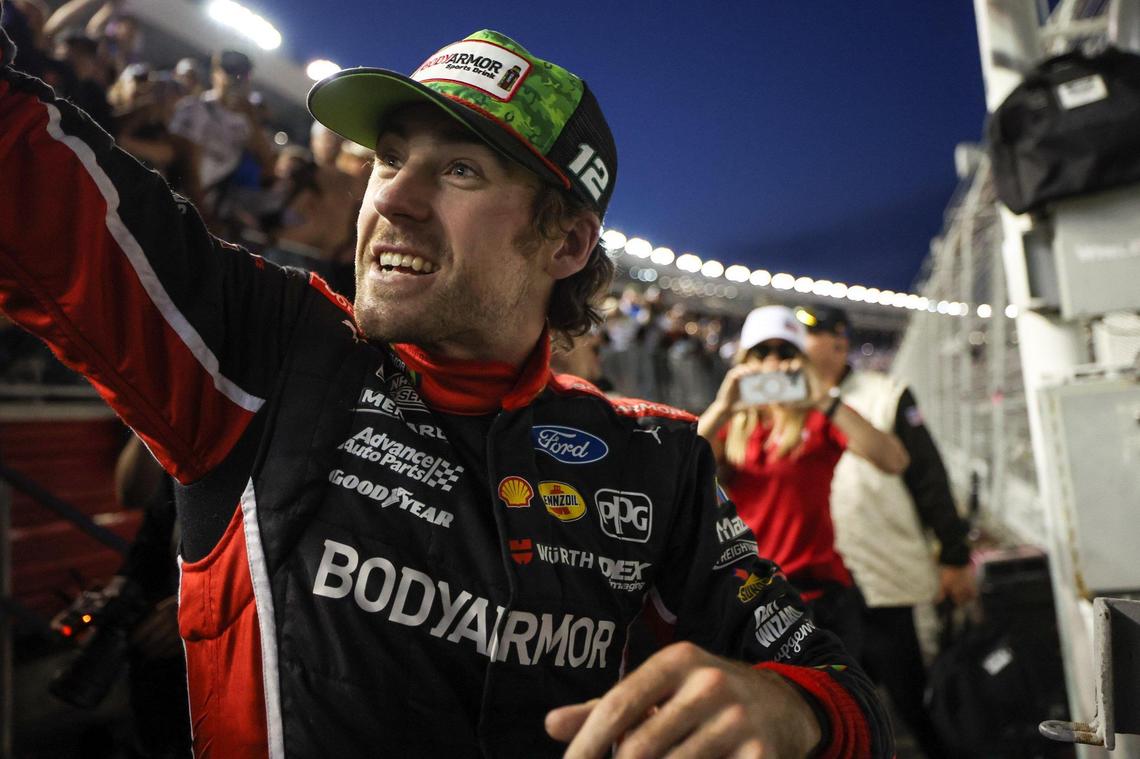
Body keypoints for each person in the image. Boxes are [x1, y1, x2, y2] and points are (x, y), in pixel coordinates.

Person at [0, 19, 892, 757]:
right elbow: (28, 178)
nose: (394, 197)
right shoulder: (270, 349)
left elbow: (845, 694)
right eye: (389, 158)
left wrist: (790, 712)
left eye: (459, 169)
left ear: (567, 245)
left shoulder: (656, 457)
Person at [798, 303, 976, 759]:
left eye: (804, 338)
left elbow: (929, 479)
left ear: (839, 344)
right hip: (817, 588)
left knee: (910, 696)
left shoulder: (885, 394)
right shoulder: (776, 402)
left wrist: (954, 555)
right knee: (832, 711)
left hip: (881, 579)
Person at [698, 305, 910, 657]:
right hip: (751, 593)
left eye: (786, 351)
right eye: (763, 352)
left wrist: (824, 400)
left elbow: (893, 460)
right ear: (745, 360)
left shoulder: (818, 417)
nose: (775, 362)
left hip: (817, 591)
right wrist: (722, 407)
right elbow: (683, 464)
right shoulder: (734, 422)